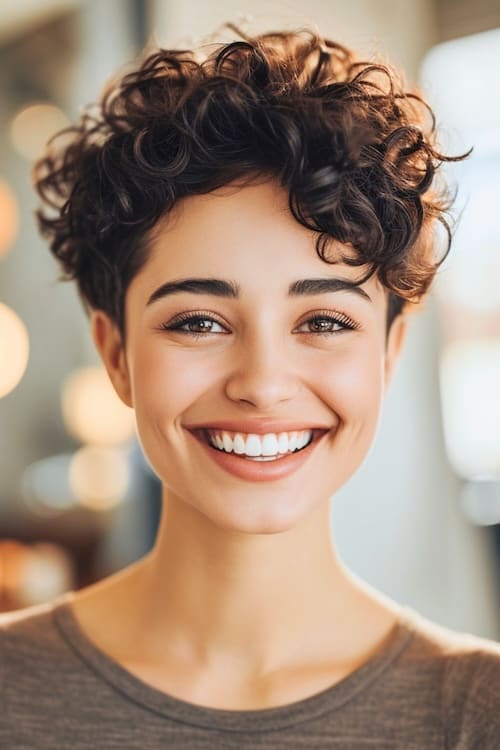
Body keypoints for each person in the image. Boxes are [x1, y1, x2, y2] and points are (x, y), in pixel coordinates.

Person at [1, 23, 499, 749]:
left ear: (389, 353)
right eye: (199, 322)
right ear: (115, 355)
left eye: (325, 321)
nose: (264, 384)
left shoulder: (478, 715)